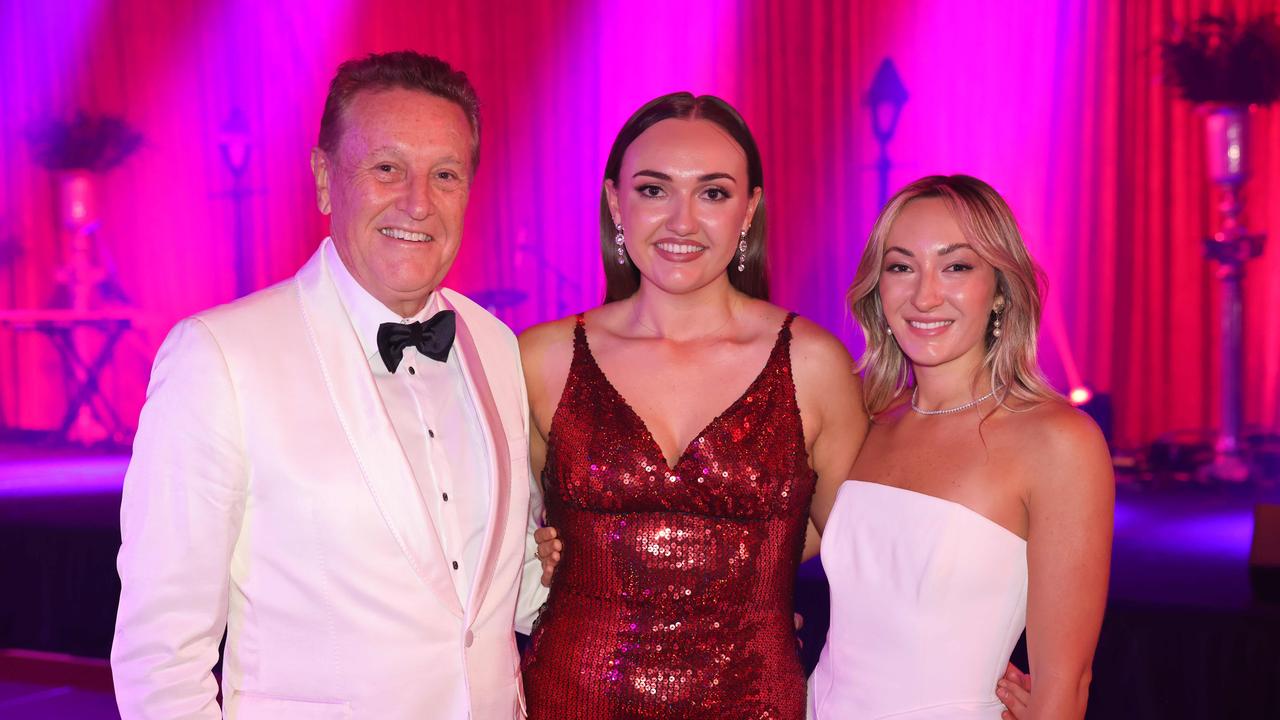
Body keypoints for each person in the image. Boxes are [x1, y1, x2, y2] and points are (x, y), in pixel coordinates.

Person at [111, 51, 545, 719]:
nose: (417, 203)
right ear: (323, 179)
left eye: (445, 174)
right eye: (386, 168)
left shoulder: (493, 343)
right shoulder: (219, 357)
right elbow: (161, 651)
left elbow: (500, 588)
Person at [517, 92, 867, 719]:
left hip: (753, 702)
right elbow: (486, 531)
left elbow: (868, 554)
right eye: (654, 190)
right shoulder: (542, 359)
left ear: (749, 210)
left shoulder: (812, 364)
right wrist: (542, 548)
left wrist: (748, 567)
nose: (681, 221)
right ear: (614, 203)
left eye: (712, 193)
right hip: (571, 698)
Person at [807, 174, 1113, 719]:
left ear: (1000, 289)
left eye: (956, 266)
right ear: (878, 289)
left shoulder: (1058, 442)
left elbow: (1065, 685)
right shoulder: (865, 420)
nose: (924, 295)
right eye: (901, 267)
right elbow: (763, 550)